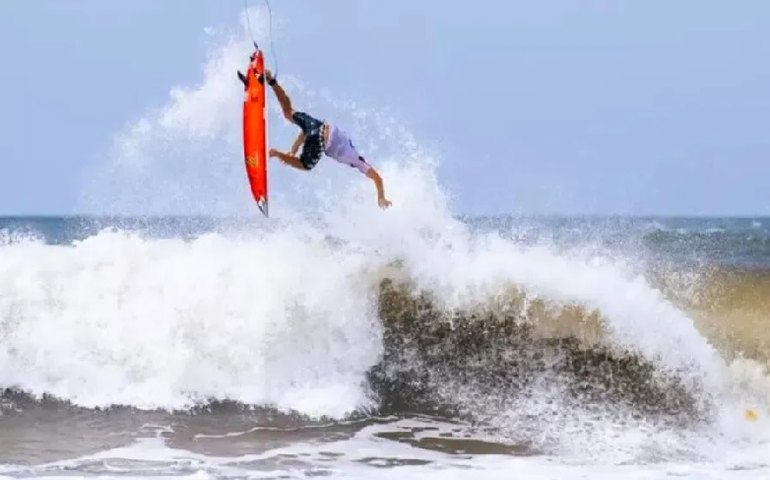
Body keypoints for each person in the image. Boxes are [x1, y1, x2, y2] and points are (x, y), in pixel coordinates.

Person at [264, 70, 392, 209]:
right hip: (321, 140)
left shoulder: (346, 141)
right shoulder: (358, 161)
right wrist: (381, 198)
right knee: (305, 165)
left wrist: (293, 150)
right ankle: (275, 153)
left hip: (319, 125)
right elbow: (377, 178)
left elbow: (306, 133)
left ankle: (271, 81)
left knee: (289, 112)